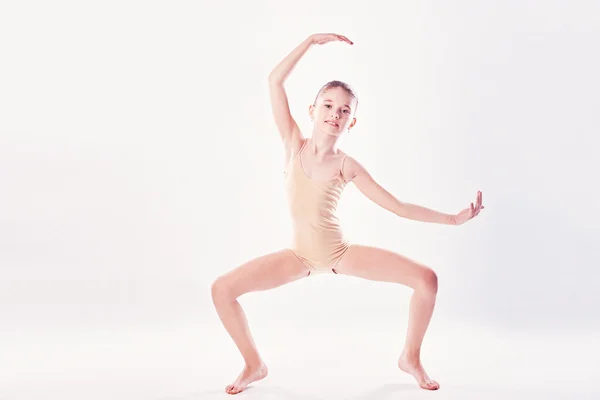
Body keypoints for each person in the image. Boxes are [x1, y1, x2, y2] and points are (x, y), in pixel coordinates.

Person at [211, 33, 484, 395]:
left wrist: (453, 219)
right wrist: (309, 42)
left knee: (427, 280)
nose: (334, 114)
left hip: (340, 253)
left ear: (351, 122)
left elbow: (398, 207)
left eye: (344, 110)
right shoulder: (294, 144)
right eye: (327, 105)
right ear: (312, 110)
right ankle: (253, 364)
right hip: (298, 256)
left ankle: (411, 358)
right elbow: (274, 81)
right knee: (222, 289)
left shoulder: (347, 166)